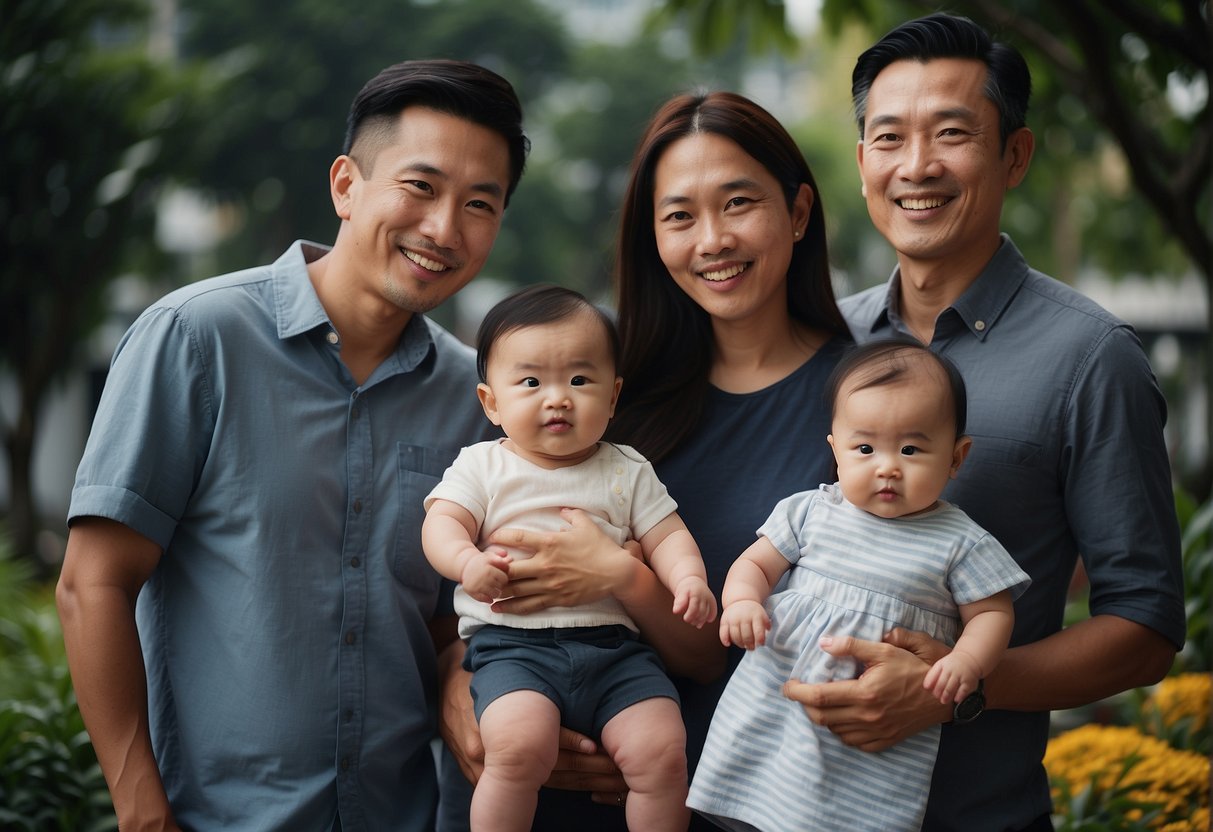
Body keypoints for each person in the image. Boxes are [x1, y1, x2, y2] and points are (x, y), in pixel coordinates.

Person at [55, 59, 529, 831]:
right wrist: (142, 811)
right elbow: (92, 584)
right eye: (420, 186)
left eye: (480, 204)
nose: (444, 228)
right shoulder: (196, 338)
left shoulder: (473, 395)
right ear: (346, 185)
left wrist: (457, 677)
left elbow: (445, 618)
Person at [788, 13, 1186, 831]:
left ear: (1014, 155)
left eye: (951, 134)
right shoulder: (826, 340)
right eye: (889, 138)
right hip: (779, 802)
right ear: (862, 162)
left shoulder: (1091, 358)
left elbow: (1143, 627)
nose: (917, 166)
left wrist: (951, 687)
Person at [438, 90, 853, 831]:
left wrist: (619, 576)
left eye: (737, 203)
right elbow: (467, 576)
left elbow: (711, 655)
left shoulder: (863, 411)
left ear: (796, 213)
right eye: (679, 215)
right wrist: (456, 688)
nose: (712, 239)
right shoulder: (588, 390)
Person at [687, 339, 1031, 830]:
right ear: (836, 449)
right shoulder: (810, 511)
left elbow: (993, 614)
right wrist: (742, 599)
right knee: (760, 802)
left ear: (957, 457)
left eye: (911, 449)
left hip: (874, 737)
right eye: (865, 448)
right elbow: (756, 564)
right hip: (775, 708)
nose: (887, 466)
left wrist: (966, 662)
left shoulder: (961, 541)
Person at [422, 284, 716, 831]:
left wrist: (689, 580)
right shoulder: (483, 466)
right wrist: (465, 561)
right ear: (491, 402)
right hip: (512, 648)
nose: (558, 397)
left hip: (617, 653)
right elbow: (441, 524)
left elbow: (668, 536)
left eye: (580, 380)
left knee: (662, 751)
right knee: (515, 746)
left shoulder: (627, 470)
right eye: (531, 382)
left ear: (612, 396)